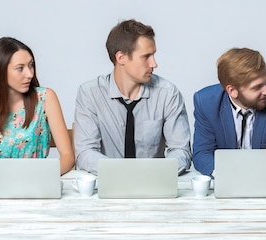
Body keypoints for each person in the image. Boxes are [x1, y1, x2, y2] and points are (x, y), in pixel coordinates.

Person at [74, 19, 192, 175]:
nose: (154, 64)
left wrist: (152, 174)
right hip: (108, 183)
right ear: (121, 57)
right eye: (146, 56)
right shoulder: (90, 93)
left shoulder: (168, 93)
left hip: (153, 183)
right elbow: (85, 153)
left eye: (154, 55)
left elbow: (181, 151)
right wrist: (123, 174)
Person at [0, 37, 74, 175]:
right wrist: (0, 175)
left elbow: (68, 157)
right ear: (0, 71)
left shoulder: (46, 98)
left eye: (31, 65)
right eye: (20, 68)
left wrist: (41, 176)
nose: (29, 74)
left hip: (36, 183)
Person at [193, 47, 266, 177]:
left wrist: (257, 176)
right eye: (257, 87)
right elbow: (202, 154)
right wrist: (226, 175)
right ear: (232, 91)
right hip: (227, 181)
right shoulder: (205, 102)